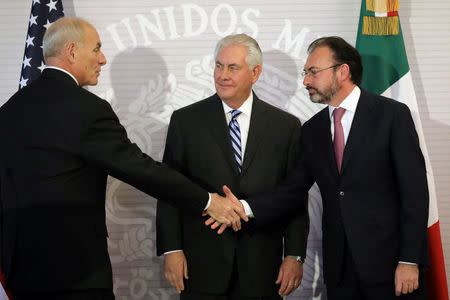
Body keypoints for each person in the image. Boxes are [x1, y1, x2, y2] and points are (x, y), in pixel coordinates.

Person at [0, 17, 245, 300]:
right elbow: (141, 170)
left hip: (20, 274)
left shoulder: (9, 111)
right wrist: (209, 201)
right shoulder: (87, 110)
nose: (102, 59)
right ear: (72, 51)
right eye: (96, 49)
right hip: (75, 275)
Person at [209, 36, 429, 300]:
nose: (305, 81)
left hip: (392, 267)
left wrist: (409, 260)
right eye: (305, 73)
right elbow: (291, 192)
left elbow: (414, 194)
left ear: (343, 71)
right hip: (340, 272)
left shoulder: (392, 116)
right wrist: (242, 208)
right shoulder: (312, 130)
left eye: (313, 72)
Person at [156, 34, 309, 299]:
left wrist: (294, 255)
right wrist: (172, 250)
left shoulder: (286, 127)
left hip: (263, 269)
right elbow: (170, 188)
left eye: (232, 67)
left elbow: (294, 197)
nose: (222, 75)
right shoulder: (186, 121)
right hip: (201, 267)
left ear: (255, 72)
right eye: (218, 66)